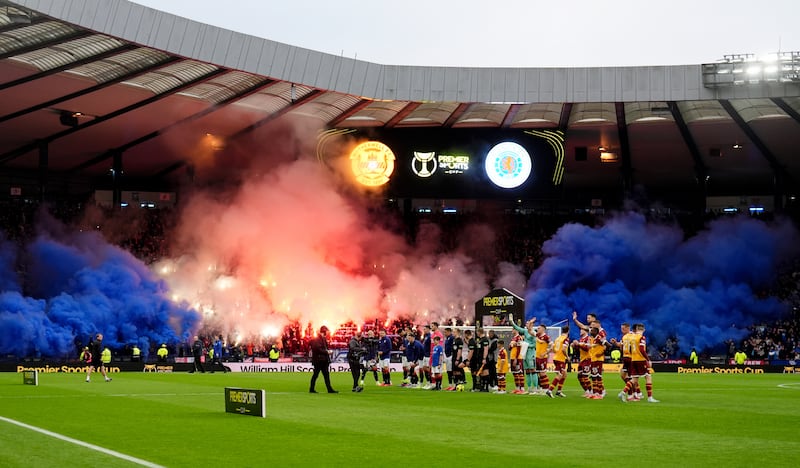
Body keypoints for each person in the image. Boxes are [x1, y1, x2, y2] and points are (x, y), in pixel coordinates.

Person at [618, 323, 659, 403]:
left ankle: (623, 393)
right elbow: (642, 349)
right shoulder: (641, 337)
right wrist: (648, 359)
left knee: (634, 379)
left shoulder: (632, 337)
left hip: (633, 360)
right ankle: (650, 398)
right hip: (641, 360)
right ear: (643, 329)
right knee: (648, 376)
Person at [509, 314, 538, 394]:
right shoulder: (525, 331)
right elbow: (517, 328)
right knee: (527, 370)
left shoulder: (534, 333)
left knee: (533, 370)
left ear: (531, 325)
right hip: (524, 352)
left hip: (531, 352)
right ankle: (529, 388)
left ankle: (535, 388)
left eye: (528, 324)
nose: (526, 325)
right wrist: (511, 322)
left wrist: (527, 345)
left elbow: (536, 344)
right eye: (526, 324)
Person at [309, 326, 337, 393]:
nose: (327, 333)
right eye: (326, 331)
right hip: (319, 360)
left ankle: (329, 389)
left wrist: (327, 351)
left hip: (323, 360)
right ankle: (312, 389)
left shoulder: (322, 339)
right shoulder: (317, 339)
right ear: (324, 331)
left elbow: (320, 348)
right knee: (316, 375)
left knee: (325, 375)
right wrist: (327, 352)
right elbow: (317, 349)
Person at [546, 326, 569, 398]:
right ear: (568, 331)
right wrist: (567, 357)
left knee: (564, 374)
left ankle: (559, 391)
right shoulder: (566, 339)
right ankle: (550, 390)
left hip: (555, 358)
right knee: (560, 375)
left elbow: (554, 349)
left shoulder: (557, 338)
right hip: (560, 359)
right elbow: (563, 349)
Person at [509, 328, 525, 394]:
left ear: (517, 330)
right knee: (515, 373)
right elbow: (509, 348)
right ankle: (517, 388)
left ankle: (522, 388)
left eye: (513, 329)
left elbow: (519, 348)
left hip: (518, 358)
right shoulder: (513, 338)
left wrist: (516, 358)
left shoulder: (519, 338)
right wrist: (512, 345)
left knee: (519, 373)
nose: (512, 331)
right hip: (512, 357)